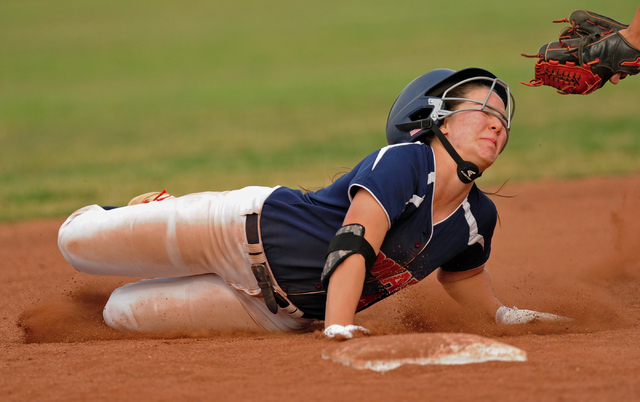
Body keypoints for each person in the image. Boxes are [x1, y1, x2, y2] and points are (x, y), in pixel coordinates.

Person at [58, 67, 569, 339]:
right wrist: (339, 323)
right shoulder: (406, 161)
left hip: (277, 314)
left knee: (121, 313)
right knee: (76, 241)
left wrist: (503, 316)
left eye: (503, 119)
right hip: (238, 229)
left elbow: (463, 277)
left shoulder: (480, 216)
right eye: (481, 109)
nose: (497, 123)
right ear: (434, 118)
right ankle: (137, 210)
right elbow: (355, 240)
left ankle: (160, 251)